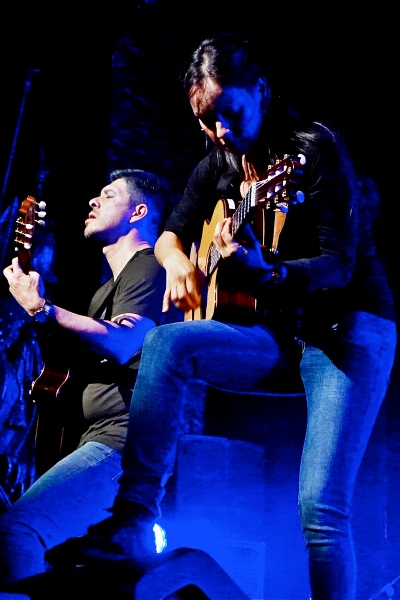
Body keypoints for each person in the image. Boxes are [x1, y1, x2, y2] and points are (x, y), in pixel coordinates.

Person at [44, 34, 397, 600]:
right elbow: (169, 233)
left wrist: (267, 271)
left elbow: (338, 264)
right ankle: (133, 521)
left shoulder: (312, 148)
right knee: (168, 344)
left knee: (321, 505)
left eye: (230, 115)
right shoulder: (220, 160)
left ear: (261, 91)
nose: (221, 134)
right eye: (207, 123)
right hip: (281, 333)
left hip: (347, 332)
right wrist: (180, 261)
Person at [0, 168, 180, 587]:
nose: (93, 202)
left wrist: (43, 309)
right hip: (97, 440)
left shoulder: (149, 266)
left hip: (121, 444)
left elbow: (124, 342)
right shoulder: (106, 290)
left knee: (17, 532)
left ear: (138, 212)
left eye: (108, 195)